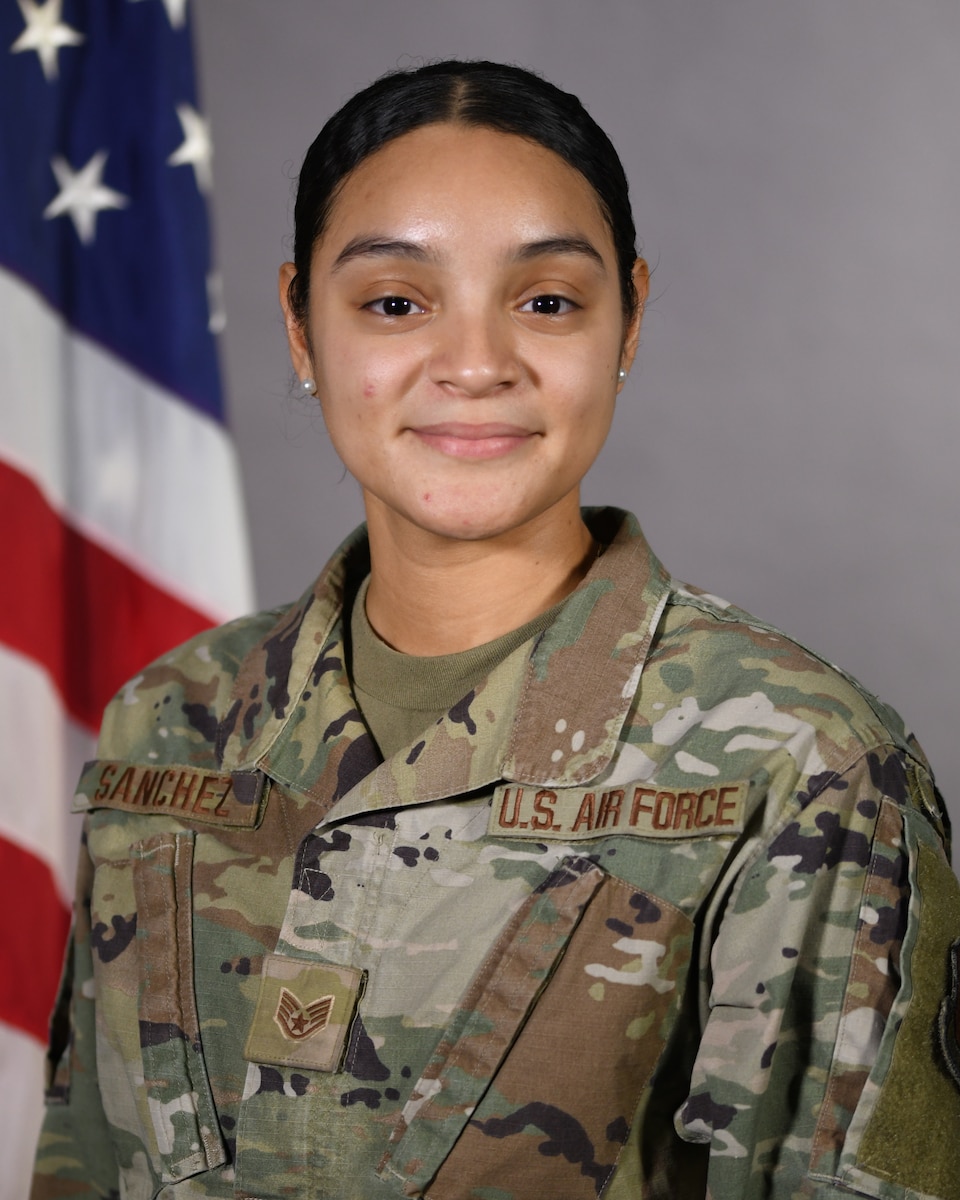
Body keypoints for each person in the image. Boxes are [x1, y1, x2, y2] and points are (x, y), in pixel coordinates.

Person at [32, 60, 960, 1200]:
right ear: (298, 325)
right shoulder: (168, 723)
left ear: (628, 317)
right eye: (394, 303)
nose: (474, 365)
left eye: (547, 301)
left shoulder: (805, 765)